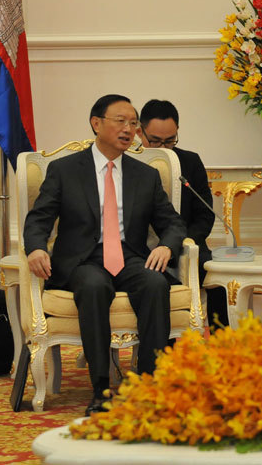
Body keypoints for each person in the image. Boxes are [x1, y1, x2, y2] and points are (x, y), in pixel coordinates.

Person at [24, 94, 187, 415]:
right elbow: (39, 218)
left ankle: (149, 383)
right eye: (121, 121)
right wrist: (36, 247)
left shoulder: (146, 175)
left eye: (133, 123)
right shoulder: (64, 170)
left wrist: (168, 245)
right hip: (83, 261)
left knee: (156, 284)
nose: (128, 129)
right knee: (94, 285)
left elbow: (172, 223)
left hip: (130, 257)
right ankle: (100, 389)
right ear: (96, 124)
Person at [137, 99, 228, 328]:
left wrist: (179, 244)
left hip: (187, 245)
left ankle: (225, 351)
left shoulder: (190, 161)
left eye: (170, 141)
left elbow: (204, 215)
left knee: (222, 279)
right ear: (140, 132)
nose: (163, 148)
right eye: (155, 141)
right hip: (141, 250)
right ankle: (166, 353)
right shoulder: (127, 162)